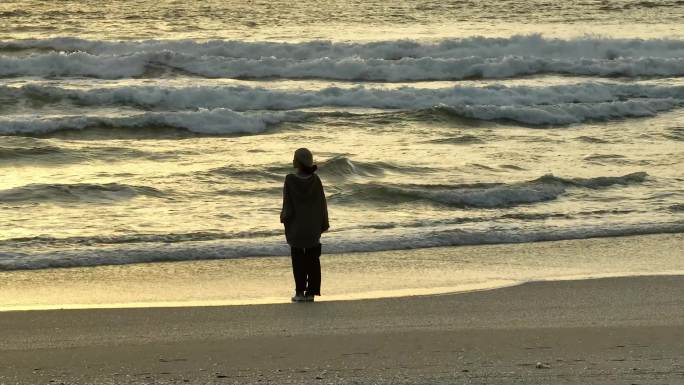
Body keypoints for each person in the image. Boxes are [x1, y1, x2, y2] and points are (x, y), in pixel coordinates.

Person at [280, 148, 329, 303]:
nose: (292, 160)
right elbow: (322, 204)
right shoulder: (316, 180)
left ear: (298, 162)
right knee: (313, 260)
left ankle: (300, 292)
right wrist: (323, 223)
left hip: (296, 227)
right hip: (312, 227)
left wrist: (284, 219)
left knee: (298, 260)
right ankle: (311, 293)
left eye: (294, 158)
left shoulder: (290, 180)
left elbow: (287, 206)